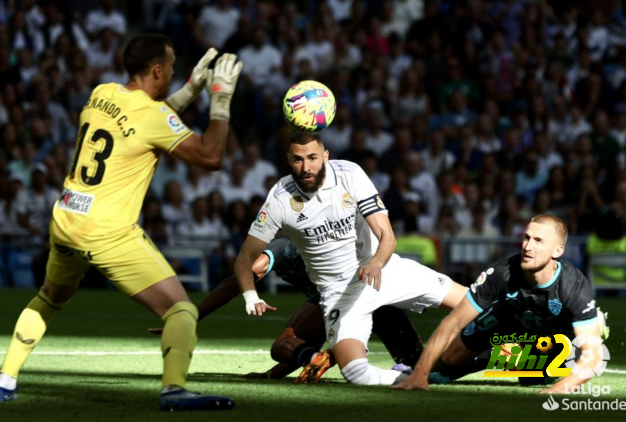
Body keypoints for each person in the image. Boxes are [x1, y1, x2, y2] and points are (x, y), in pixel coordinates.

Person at [0, 34, 242, 411]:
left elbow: (145, 123)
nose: (176, 72)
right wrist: (220, 100)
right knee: (181, 310)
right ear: (157, 70)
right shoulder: (153, 115)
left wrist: (189, 91)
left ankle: (5, 378)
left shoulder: (102, 93)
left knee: (49, 297)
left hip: (66, 217)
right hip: (107, 231)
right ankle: (174, 389)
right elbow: (210, 157)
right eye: (173, 67)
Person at [234, 132, 467, 386]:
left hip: (385, 271)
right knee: (356, 373)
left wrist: (376, 263)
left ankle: (515, 360)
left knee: (474, 303)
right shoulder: (280, 198)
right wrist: (250, 296)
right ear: (289, 160)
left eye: (312, 157)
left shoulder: (349, 174)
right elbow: (245, 259)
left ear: (326, 156)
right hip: (339, 294)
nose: (306, 167)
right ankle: (416, 378)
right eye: (298, 160)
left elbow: (386, 234)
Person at [150, 237, 426, 381]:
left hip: (345, 298)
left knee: (282, 346)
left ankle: (333, 355)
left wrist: (192, 317)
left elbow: (236, 281)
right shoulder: (304, 239)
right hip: (371, 296)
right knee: (422, 366)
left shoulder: (280, 248)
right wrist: (273, 375)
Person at [394, 214, 609, 394]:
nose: (528, 246)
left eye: (538, 241)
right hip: (511, 317)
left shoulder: (574, 285)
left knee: (529, 377)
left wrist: (560, 389)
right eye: (526, 237)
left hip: (552, 335)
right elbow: (452, 323)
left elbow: (594, 354)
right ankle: (498, 355)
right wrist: (420, 374)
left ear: (558, 251)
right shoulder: (501, 273)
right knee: (451, 357)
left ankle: (593, 322)